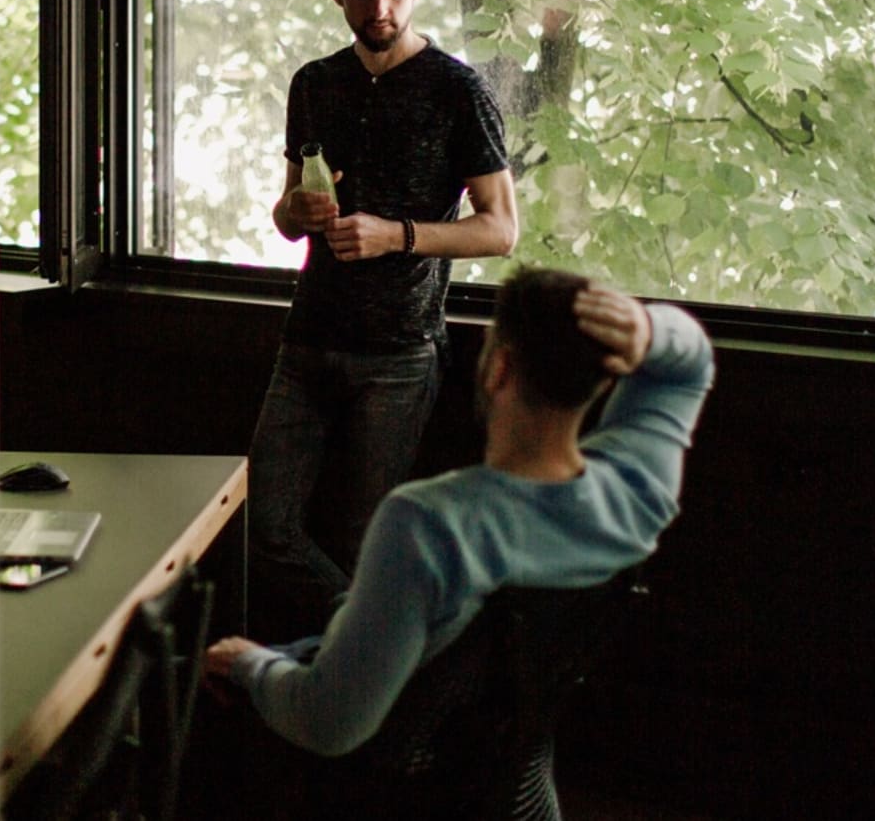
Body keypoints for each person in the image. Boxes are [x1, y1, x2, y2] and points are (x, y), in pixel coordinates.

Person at [207, 267, 714, 758]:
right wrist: (647, 329)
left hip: (395, 784)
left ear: (498, 368)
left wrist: (250, 665)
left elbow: (329, 724)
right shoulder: (639, 491)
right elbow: (691, 365)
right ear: (602, 381)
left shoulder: (426, 524)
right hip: (520, 782)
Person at [247, 0, 519, 641]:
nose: (380, 8)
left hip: (399, 355)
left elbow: (501, 230)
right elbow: (285, 216)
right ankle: (391, 650)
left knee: (363, 543)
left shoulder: (458, 90)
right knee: (264, 529)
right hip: (306, 341)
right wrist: (295, 212)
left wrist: (396, 236)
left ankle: (364, 671)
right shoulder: (314, 83)